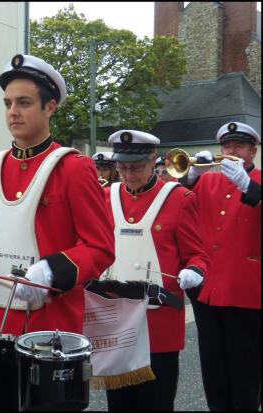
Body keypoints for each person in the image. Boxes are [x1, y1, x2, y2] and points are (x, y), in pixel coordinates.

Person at [0, 53, 115, 342]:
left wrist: (52, 270)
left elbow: (100, 248)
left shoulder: (73, 168)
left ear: (50, 107)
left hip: (47, 322)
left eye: (24, 103)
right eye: (8, 103)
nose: (13, 111)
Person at [102, 130, 210, 411]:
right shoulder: (105, 197)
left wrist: (195, 271)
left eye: (136, 167)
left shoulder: (179, 198)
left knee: (156, 401)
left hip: (158, 321)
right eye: (122, 167)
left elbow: (197, 253)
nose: (128, 174)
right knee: (119, 402)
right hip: (116, 318)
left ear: (153, 161)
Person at [183, 121, 261, 411]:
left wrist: (248, 186)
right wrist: (189, 178)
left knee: (245, 371)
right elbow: (176, 206)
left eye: (239, 146)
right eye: (227, 146)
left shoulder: (259, 181)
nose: (231, 152)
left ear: (252, 152)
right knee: (213, 369)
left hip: (245, 290)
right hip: (208, 290)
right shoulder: (208, 181)